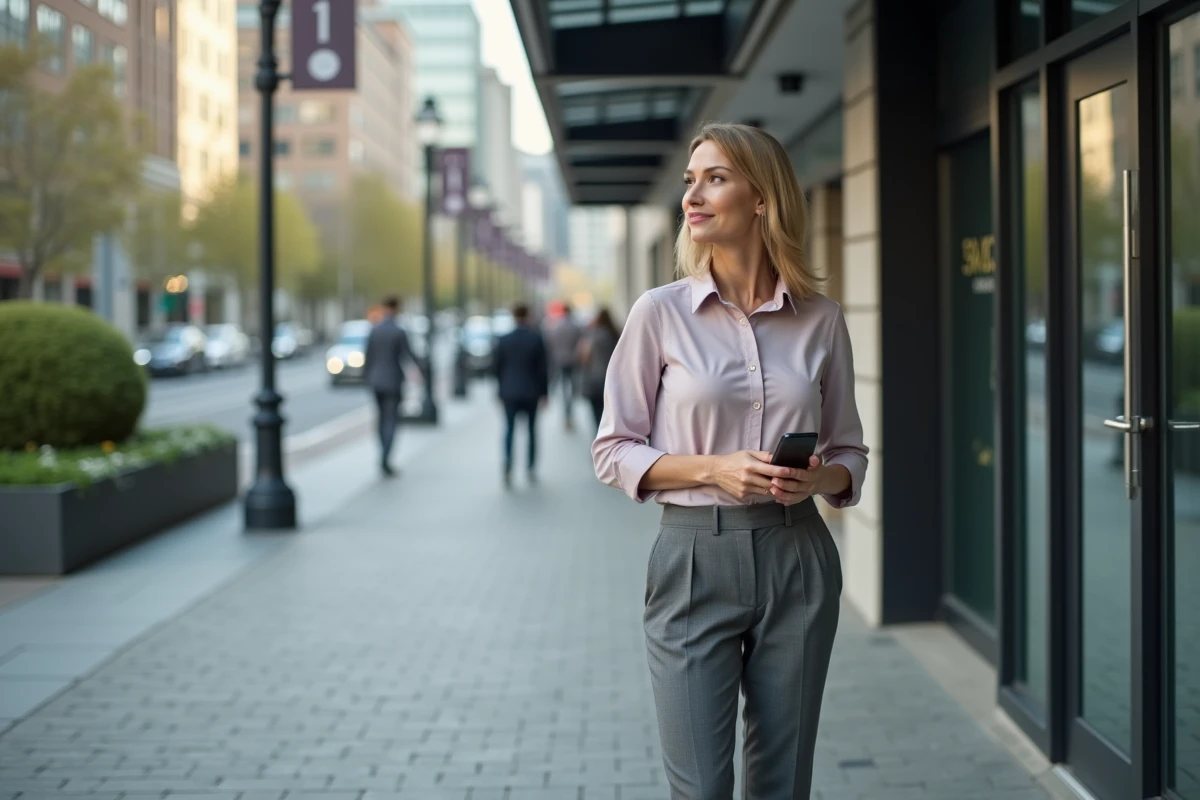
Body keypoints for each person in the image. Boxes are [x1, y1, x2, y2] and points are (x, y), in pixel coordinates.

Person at [591, 122, 868, 799]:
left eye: (715, 179)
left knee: (782, 782)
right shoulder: (659, 313)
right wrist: (714, 469)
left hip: (797, 556)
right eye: (691, 181)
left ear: (763, 198)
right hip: (693, 561)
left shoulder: (821, 318)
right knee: (701, 787)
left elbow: (849, 452)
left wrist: (817, 478)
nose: (693, 195)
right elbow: (612, 449)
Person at [493, 303, 549, 488]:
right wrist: (545, 394)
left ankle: (508, 464)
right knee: (531, 430)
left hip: (509, 392)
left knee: (509, 429)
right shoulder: (536, 338)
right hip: (531, 391)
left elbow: (497, 369)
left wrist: (499, 392)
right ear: (528, 315)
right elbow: (543, 370)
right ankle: (530, 467)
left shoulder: (504, 339)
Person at [363, 296, 416, 477]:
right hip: (393, 381)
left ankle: (382, 452)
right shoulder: (399, 331)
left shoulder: (375, 330)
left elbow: (368, 358)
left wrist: (367, 379)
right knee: (391, 420)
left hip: (376, 381)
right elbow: (408, 355)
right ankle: (386, 456)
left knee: (381, 418)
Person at [577, 307, 620, 432]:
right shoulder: (615, 335)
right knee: (609, 412)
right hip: (612, 379)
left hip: (594, 379)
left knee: (596, 413)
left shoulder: (592, 336)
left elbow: (583, 357)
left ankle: (599, 435)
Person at [544, 302, 582, 431]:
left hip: (559, 361)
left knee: (563, 388)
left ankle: (566, 413)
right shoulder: (576, 326)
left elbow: (550, 345)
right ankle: (569, 412)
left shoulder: (555, 327)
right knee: (571, 387)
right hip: (573, 361)